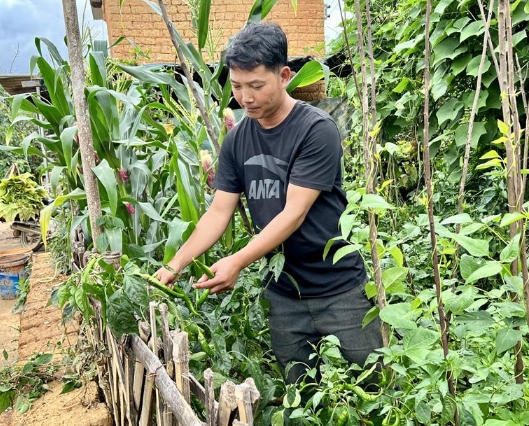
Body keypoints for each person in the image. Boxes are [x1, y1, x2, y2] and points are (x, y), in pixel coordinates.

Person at [155, 22, 383, 384]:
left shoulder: (316, 130)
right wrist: (176, 264)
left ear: (285, 76)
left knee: (372, 385)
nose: (245, 98)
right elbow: (218, 213)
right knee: (301, 394)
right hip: (283, 293)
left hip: (339, 288)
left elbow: (293, 214)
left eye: (256, 86)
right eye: (237, 86)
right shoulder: (236, 141)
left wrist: (238, 261)